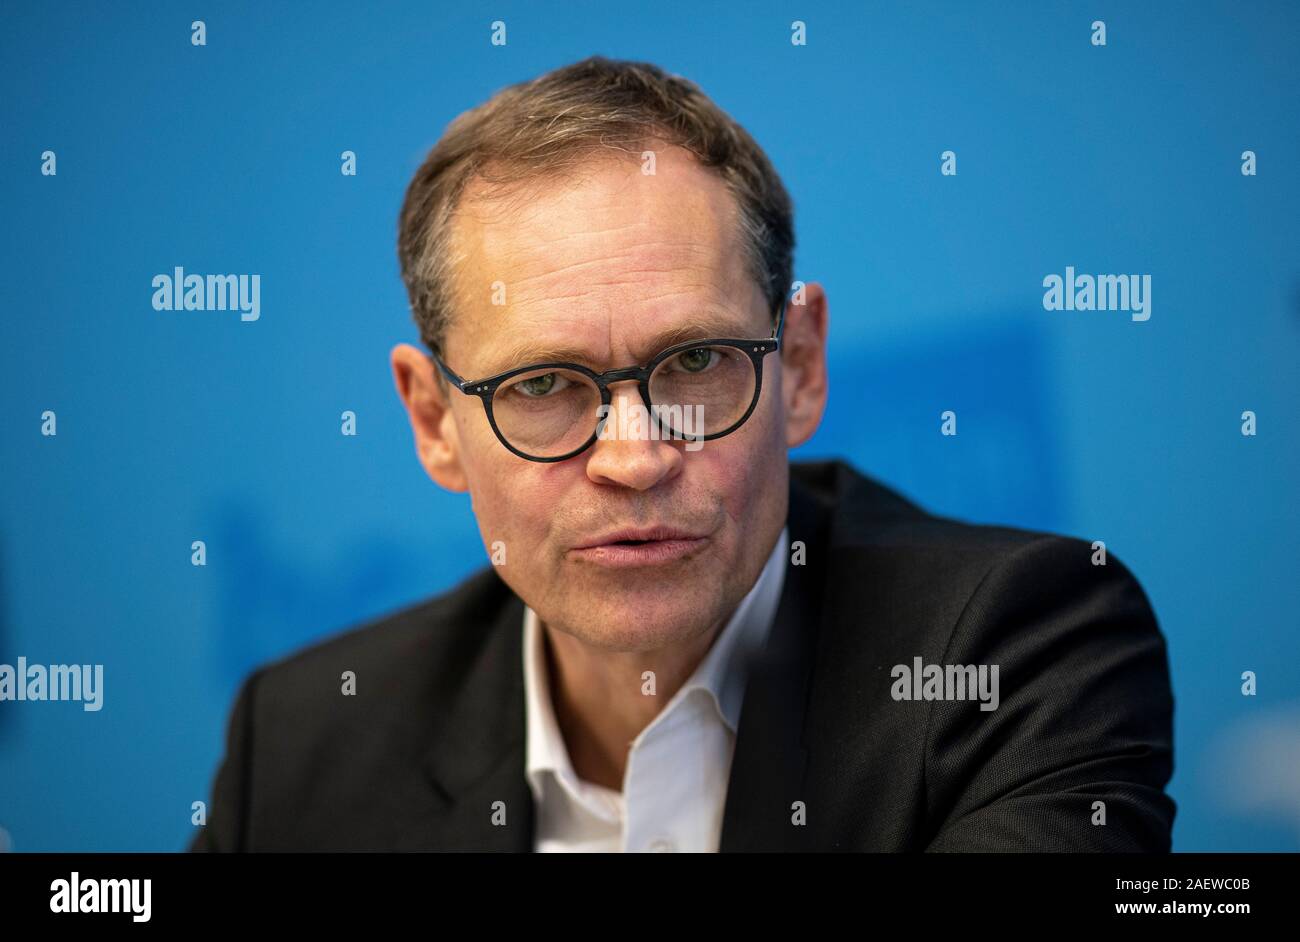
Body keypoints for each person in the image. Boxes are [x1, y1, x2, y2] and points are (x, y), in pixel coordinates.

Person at [190, 56, 1175, 852]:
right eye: (541, 386)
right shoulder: (306, 737)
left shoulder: (1020, 649)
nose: (633, 459)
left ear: (796, 366)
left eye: (695, 362)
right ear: (435, 421)